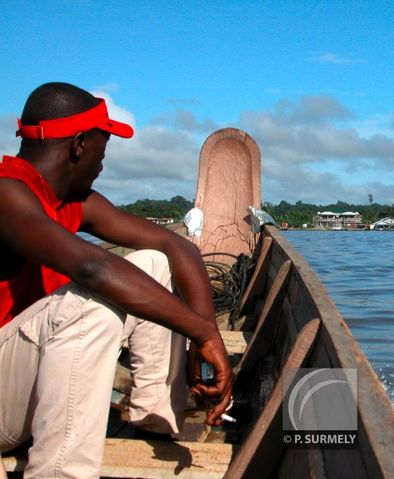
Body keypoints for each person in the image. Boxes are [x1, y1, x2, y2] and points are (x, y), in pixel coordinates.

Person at [0, 82, 233, 478]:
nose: (102, 165)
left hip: (22, 389)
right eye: (101, 150)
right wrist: (205, 335)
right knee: (90, 302)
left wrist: (205, 333)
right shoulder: (6, 193)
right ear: (78, 145)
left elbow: (178, 249)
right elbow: (96, 270)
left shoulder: (76, 202)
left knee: (154, 262)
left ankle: (157, 418)